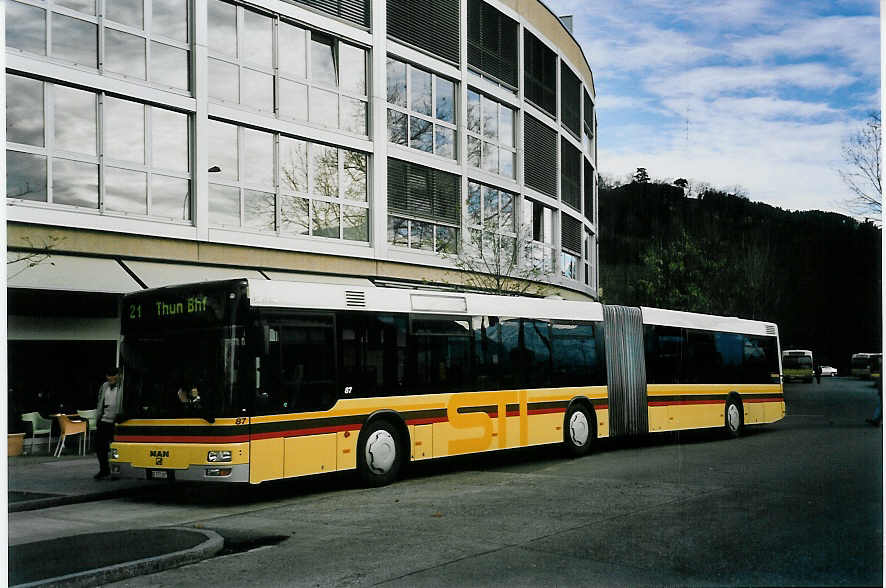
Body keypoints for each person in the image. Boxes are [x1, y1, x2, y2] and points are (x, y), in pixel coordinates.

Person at [94, 366, 121, 480]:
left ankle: (117, 470)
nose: (111, 378)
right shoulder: (104, 386)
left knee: (116, 449)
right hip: (104, 421)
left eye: (113, 375)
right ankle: (104, 470)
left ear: (118, 376)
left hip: (116, 422)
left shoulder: (122, 387)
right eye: (109, 376)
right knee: (100, 447)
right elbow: (100, 400)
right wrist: (98, 418)